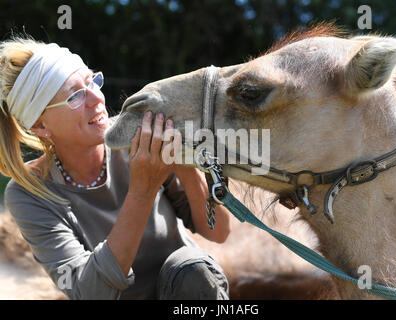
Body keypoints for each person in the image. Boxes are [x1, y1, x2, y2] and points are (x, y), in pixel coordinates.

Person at [0, 37, 231, 300]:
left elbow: (218, 232)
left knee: (193, 270)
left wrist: (184, 166)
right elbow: (88, 292)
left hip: (187, 292)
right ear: (40, 126)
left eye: (92, 82)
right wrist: (142, 192)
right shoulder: (28, 193)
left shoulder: (137, 138)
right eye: (75, 96)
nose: (96, 99)